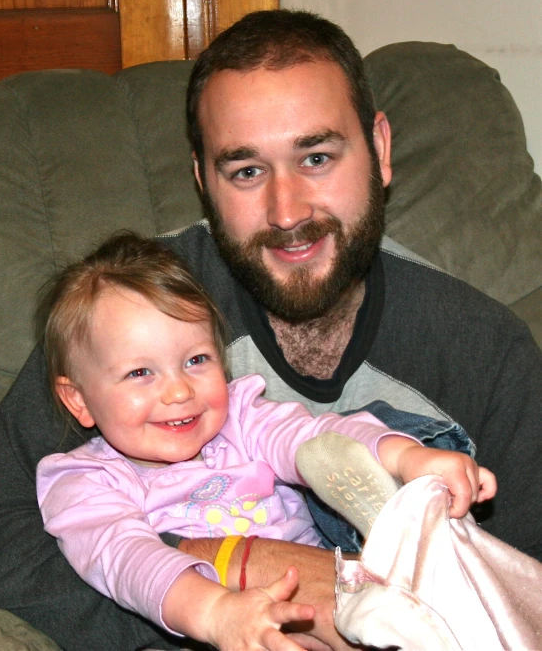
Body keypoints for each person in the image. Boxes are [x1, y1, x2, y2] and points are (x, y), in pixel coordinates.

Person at [0, 8, 542, 651]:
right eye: (246, 171)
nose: (287, 212)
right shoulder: (132, 318)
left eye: (315, 156)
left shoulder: (482, 348)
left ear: (380, 150)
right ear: (204, 182)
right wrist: (236, 582)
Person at [35, 231, 495, 651]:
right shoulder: (85, 481)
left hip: (338, 589)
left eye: (196, 360)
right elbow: (123, 559)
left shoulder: (240, 418)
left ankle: (393, 493)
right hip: (216, 629)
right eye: (140, 372)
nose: (179, 392)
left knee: (350, 430)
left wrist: (407, 456)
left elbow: (308, 436)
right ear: (79, 400)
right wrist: (214, 612)